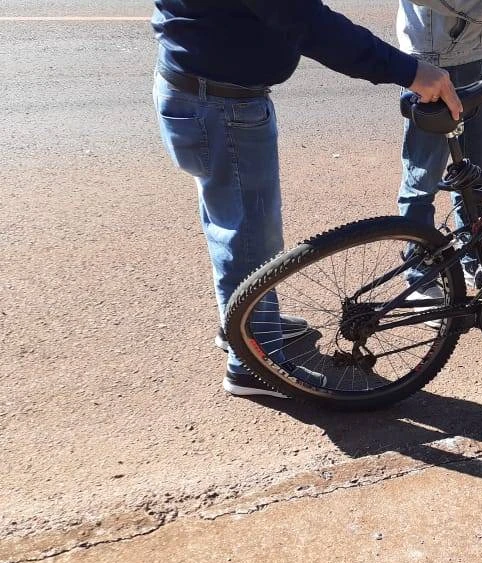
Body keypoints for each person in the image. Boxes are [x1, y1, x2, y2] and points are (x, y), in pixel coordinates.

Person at [151, 0, 462, 398]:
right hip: (220, 103)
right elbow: (307, 22)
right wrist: (411, 71)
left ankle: (245, 326)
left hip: (199, 89)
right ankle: (253, 364)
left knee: (233, 225)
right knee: (249, 236)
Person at [396, 0, 482, 299]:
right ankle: (420, 276)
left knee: (476, 171)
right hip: (436, 56)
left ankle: (472, 258)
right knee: (423, 176)